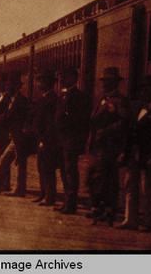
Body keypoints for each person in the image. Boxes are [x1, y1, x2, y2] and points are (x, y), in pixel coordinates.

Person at [117, 75, 151, 232]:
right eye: (142, 90)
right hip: (134, 154)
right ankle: (130, 219)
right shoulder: (139, 109)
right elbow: (130, 132)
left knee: (147, 189)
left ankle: (148, 221)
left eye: (147, 90)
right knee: (130, 186)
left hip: (148, 156)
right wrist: (124, 152)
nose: (143, 93)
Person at [85, 67, 131, 225]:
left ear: (115, 83)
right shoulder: (102, 99)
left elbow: (124, 122)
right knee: (95, 178)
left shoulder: (120, 101)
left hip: (109, 146)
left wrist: (106, 131)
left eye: (108, 82)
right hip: (97, 146)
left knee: (105, 180)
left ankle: (107, 211)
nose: (104, 84)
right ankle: (100, 209)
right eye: (104, 81)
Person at [0, 70, 30, 196]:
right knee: (16, 162)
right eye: (7, 85)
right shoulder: (9, 100)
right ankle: (18, 189)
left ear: (17, 87)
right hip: (15, 137)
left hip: (20, 137)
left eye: (11, 85)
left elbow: (23, 121)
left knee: (10, 160)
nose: (7, 87)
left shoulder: (21, 101)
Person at [54, 67, 91, 214]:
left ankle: (70, 204)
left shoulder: (78, 96)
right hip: (63, 140)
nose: (62, 79)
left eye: (65, 76)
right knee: (64, 171)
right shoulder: (64, 94)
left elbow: (81, 120)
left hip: (71, 140)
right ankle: (66, 202)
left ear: (73, 78)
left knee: (70, 172)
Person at [28, 70, 60, 206]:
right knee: (41, 168)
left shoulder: (53, 99)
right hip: (40, 138)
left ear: (48, 83)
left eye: (41, 81)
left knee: (48, 169)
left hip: (47, 140)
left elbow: (51, 123)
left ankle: (49, 197)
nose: (39, 83)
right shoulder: (43, 98)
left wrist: (44, 140)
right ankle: (43, 194)